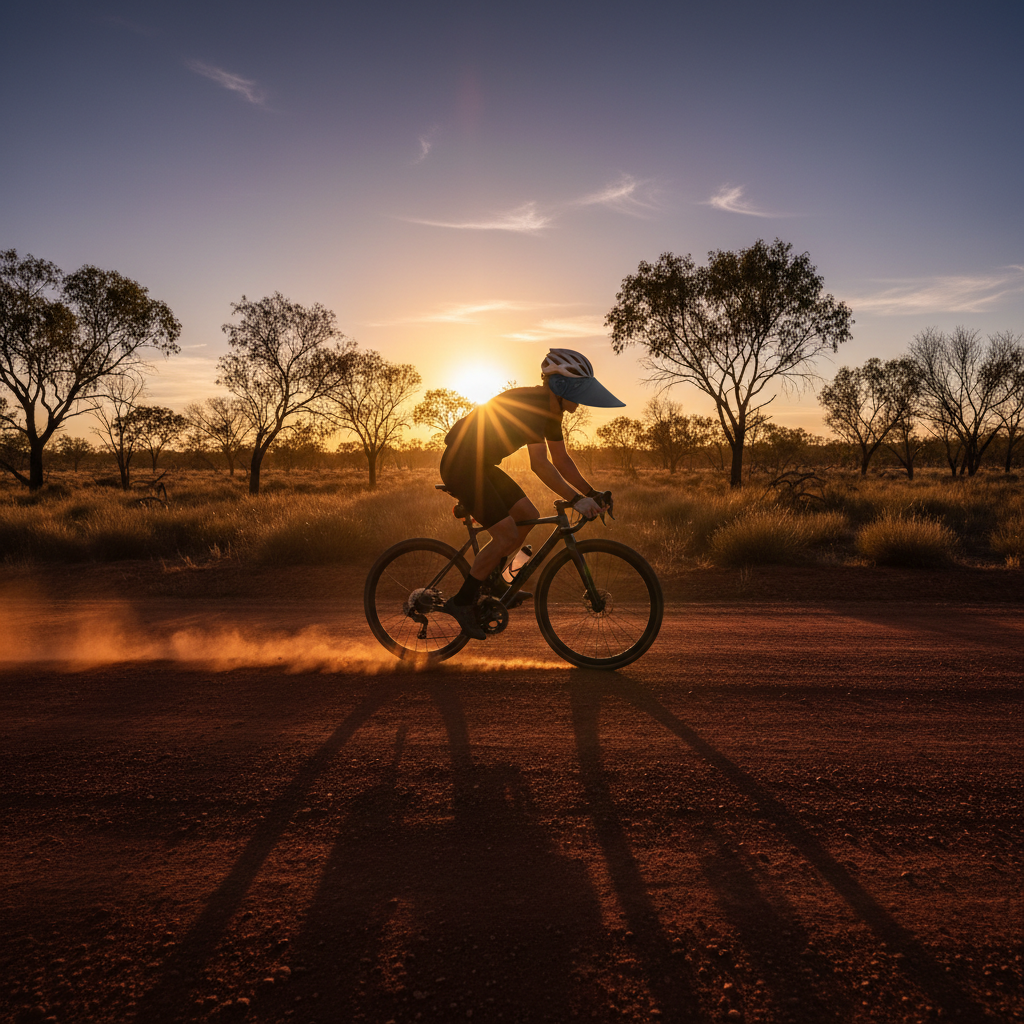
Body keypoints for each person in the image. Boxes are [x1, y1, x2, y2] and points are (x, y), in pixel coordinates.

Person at [438, 348, 625, 639]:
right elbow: (539, 463)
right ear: (560, 386)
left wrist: (592, 492)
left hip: (481, 465)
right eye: (578, 390)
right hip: (461, 466)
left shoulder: (551, 412)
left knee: (527, 515)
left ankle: (494, 580)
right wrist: (576, 499)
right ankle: (462, 602)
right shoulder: (532, 405)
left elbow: (561, 459)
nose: (581, 399)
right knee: (506, 535)